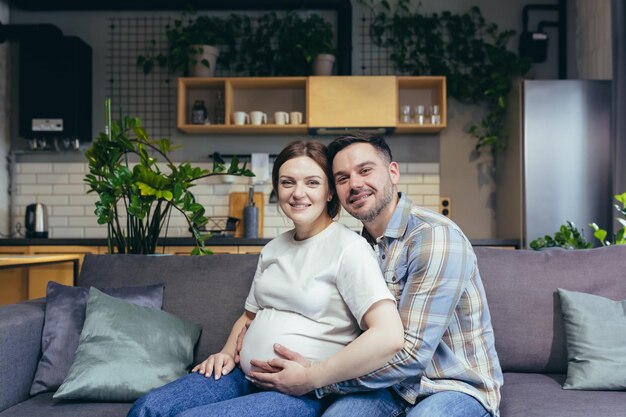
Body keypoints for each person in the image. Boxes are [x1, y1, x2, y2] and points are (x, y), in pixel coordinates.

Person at [127, 140, 404, 417]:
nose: (298, 193)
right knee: (147, 408)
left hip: (299, 390)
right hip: (242, 376)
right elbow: (249, 316)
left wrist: (313, 377)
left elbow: (388, 336)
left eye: (312, 182)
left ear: (330, 192)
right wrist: (225, 352)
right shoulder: (273, 248)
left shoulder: (350, 248)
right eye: (287, 182)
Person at [245, 132, 503, 417]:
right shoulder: (359, 246)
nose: (355, 184)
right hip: (387, 388)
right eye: (342, 178)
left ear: (393, 173)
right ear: (335, 190)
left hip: (451, 387)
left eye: (365, 170)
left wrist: (315, 379)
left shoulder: (433, 237)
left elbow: (411, 355)